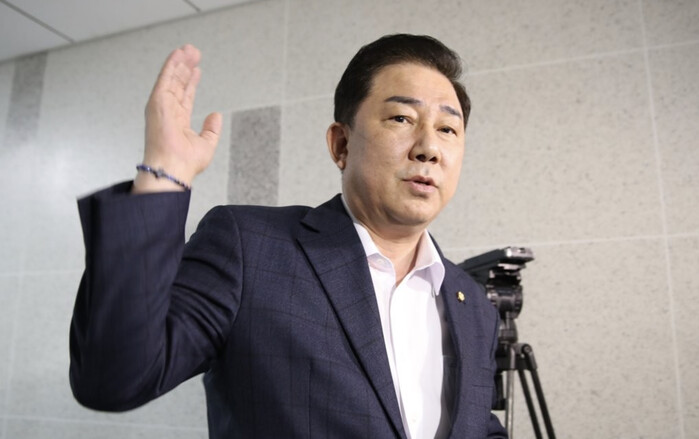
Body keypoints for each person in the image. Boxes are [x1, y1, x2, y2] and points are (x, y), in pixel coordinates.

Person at [69, 34, 508, 438]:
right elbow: (114, 377)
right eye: (401, 118)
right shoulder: (250, 249)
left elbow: (478, 427)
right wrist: (165, 173)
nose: (429, 148)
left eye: (447, 129)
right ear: (341, 145)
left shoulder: (473, 304)